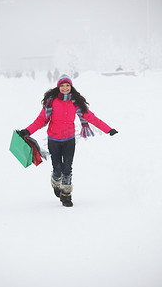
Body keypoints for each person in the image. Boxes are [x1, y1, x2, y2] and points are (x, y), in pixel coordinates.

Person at [18, 75, 118, 207]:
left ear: (71, 87)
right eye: (62, 86)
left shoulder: (76, 102)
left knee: (67, 168)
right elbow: (41, 120)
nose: (65, 88)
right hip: (53, 140)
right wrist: (27, 131)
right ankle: (55, 181)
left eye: (67, 85)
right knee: (57, 169)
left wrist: (108, 129)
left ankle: (66, 195)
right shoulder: (51, 102)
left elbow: (92, 118)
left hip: (69, 140)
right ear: (58, 87)